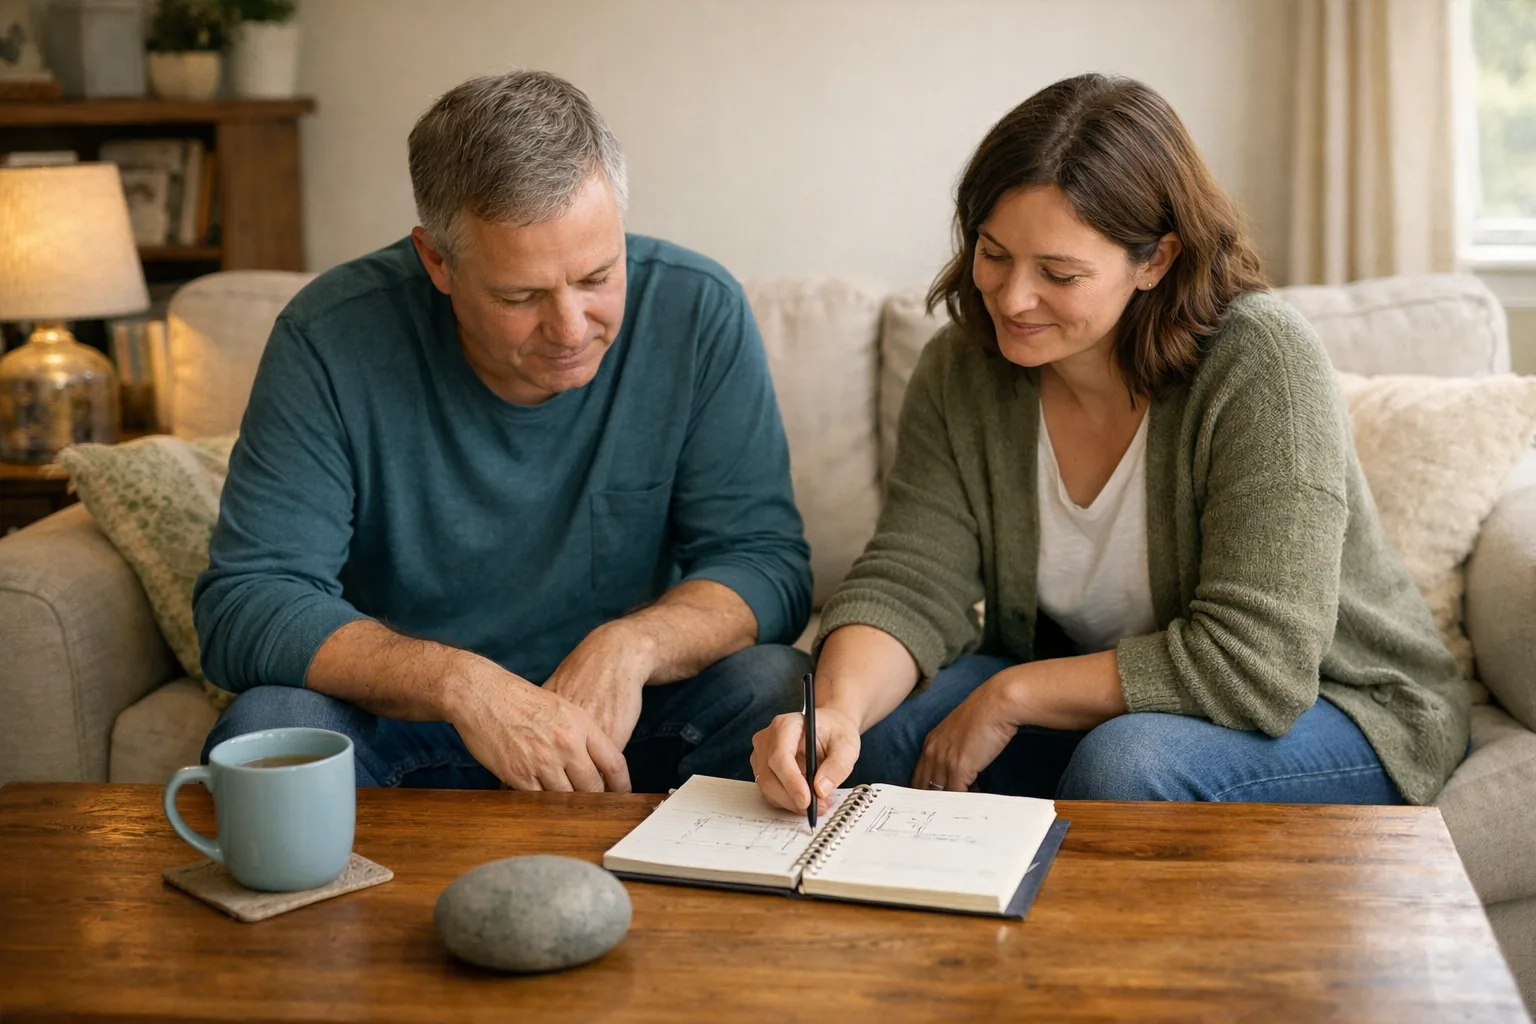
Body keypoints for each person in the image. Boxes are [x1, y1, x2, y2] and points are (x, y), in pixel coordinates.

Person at [752, 73, 1467, 814]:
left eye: (1059, 273)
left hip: (1342, 703)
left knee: (1126, 766)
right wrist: (834, 713)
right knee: (882, 734)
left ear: (1155, 260)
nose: (1011, 297)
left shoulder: (1262, 364)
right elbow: (912, 577)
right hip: (1118, 703)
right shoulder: (962, 370)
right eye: (993, 253)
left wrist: (1013, 693)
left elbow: (1261, 664)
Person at [196, 70, 813, 793]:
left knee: (778, 685)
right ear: (437, 261)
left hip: (622, 727)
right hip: (409, 727)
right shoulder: (329, 337)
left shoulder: (698, 310)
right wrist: (463, 686)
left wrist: (633, 644)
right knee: (265, 728)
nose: (572, 329)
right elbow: (248, 600)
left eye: (597, 277)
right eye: (521, 295)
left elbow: (765, 561)